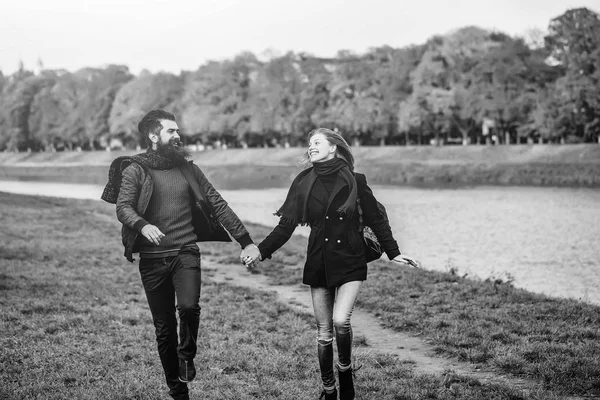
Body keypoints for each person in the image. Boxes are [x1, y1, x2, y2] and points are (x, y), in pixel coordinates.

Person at [244, 128, 418, 400]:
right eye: (309, 143)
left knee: (340, 321)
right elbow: (286, 226)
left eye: (317, 142)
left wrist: (394, 253)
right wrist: (261, 251)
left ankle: (345, 370)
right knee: (324, 333)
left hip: (350, 259)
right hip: (318, 261)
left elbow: (376, 220)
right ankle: (328, 389)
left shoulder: (356, 181)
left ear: (334, 148)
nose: (311, 147)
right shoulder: (303, 182)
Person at [101, 109, 260, 400]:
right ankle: (178, 392)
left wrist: (246, 241)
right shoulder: (135, 169)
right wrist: (143, 225)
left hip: (185, 252)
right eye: (171, 131)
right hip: (151, 260)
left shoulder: (189, 170)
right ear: (153, 135)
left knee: (188, 307)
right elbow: (123, 207)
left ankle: (187, 354)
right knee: (164, 330)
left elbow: (218, 204)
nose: (178, 135)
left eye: (177, 131)